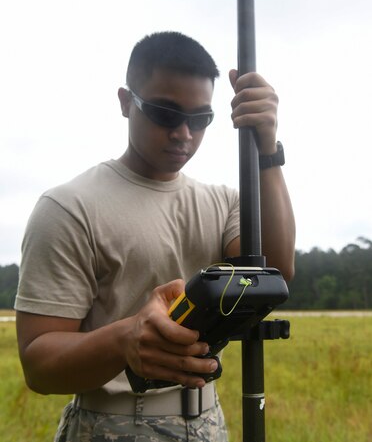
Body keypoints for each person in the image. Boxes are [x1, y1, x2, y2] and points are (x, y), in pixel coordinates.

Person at [15, 31, 295, 442]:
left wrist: (267, 148)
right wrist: (124, 340)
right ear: (126, 102)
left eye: (200, 119)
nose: (184, 133)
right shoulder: (70, 206)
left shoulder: (224, 204)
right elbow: (39, 364)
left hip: (208, 423)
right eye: (166, 113)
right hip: (110, 425)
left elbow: (276, 272)